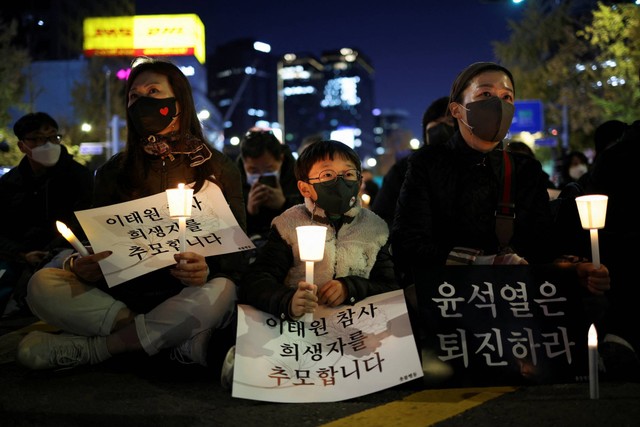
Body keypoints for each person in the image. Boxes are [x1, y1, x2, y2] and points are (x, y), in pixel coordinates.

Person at [16, 57, 247, 374]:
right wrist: (82, 264)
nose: (143, 103)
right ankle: (175, 342)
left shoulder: (218, 169)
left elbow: (236, 257)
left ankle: (97, 349)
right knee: (42, 284)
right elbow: (91, 240)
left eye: (153, 92)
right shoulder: (113, 171)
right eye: (135, 96)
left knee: (223, 289)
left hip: (188, 293)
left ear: (179, 102)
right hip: (123, 299)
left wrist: (205, 269)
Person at [391, 62, 609, 297]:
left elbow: (542, 247)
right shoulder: (427, 163)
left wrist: (573, 268)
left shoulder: (525, 169)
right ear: (456, 110)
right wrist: (482, 262)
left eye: (507, 97)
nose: (498, 104)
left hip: (515, 306)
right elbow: (407, 244)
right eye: (485, 94)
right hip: (449, 304)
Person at [239, 139, 397, 320]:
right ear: (305, 188)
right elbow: (256, 281)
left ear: (360, 181)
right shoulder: (288, 226)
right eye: (327, 174)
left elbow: (390, 287)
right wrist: (289, 301)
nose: (339, 182)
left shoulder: (375, 229)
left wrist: (350, 288)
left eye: (348, 174)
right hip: (302, 330)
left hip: (356, 328)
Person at [0, 112, 93, 315]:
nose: (48, 145)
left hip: (66, 256)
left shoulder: (79, 177)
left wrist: (48, 253)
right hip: (18, 259)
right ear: (22, 146)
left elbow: (84, 222)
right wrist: (21, 254)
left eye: (52, 137)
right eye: (37, 139)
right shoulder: (9, 184)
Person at [371, 96, 454, 227]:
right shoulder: (404, 169)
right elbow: (381, 218)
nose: (443, 128)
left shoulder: (478, 164)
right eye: (436, 122)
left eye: (450, 121)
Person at [236, 128, 302, 246]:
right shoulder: (233, 181)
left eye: (269, 169)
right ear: (244, 162)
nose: (261, 175)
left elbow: (310, 220)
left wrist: (284, 204)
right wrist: (249, 211)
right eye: (253, 170)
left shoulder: (299, 176)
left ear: (281, 159)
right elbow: (230, 234)